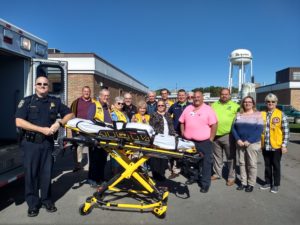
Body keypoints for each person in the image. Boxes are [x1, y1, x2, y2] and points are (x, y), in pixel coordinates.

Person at [15, 75, 73, 217]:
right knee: (31, 175)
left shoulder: (55, 101)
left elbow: (70, 114)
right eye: (39, 84)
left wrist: (59, 123)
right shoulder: (27, 101)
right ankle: (33, 204)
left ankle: (47, 200)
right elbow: (19, 122)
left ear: (48, 87)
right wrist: (42, 129)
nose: (42, 86)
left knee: (47, 174)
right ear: (35, 86)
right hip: (30, 144)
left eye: (45, 84)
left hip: (47, 144)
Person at [179, 90, 218, 193]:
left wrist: (211, 138)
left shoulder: (208, 109)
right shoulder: (188, 108)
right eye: (194, 97)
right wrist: (183, 134)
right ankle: (193, 177)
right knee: (189, 161)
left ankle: (205, 184)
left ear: (202, 98)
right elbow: (181, 122)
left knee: (206, 163)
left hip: (204, 142)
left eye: (198, 97)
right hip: (188, 141)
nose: (196, 98)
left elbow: (214, 124)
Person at [232, 96, 264, 193]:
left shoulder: (258, 114)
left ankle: (250, 184)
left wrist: (249, 141)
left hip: (253, 143)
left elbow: (259, 130)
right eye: (245, 102)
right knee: (242, 163)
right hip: (240, 143)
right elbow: (233, 128)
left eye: (249, 102)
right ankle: (243, 182)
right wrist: (238, 139)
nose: (247, 103)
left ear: (253, 103)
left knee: (252, 164)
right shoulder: (238, 114)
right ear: (242, 103)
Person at [260, 93, 289, 193]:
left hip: (276, 146)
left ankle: (276, 184)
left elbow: (286, 131)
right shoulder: (261, 114)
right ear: (265, 103)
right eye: (268, 101)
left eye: (273, 102)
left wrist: (284, 145)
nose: (270, 103)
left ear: (276, 103)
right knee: (267, 165)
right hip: (265, 145)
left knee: (276, 166)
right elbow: (259, 130)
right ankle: (268, 182)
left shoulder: (281, 114)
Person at [211, 88, 239, 186]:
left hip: (228, 135)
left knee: (231, 157)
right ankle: (217, 173)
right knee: (217, 157)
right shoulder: (214, 105)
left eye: (226, 94)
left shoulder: (236, 106)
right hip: (215, 135)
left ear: (229, 95)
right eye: (222, 94)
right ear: (220, 95)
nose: (224, 96)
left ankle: (231, 177)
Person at [87, 88, 112, 187]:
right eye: (104, 95)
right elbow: (89, 120)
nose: (106, 97)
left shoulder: (107, 107)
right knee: (94, 159)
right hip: (96, 137)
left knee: (103, 159)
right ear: (100, 96)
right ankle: (92, 179)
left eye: (107, 96)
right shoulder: (94, 105)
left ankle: (100, 178)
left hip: (105, 138)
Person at [149, 100, 176, 181]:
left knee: (164, 158)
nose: (160, 107)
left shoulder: (168, 115)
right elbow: (151, 127)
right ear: (157, 107)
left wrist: (173, 135)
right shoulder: (153, 115)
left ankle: (162, 174)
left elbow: (171, 126)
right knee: (156, 158)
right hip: (158, 139)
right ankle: (156, 175)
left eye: (162, 105)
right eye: (159, 105)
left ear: (165, 106)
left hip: (168, 139)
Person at [70, 86, 95, 172]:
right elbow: (71, 115)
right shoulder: (75, 102)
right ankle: (78, 164)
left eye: (88, 91)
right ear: (82, 92)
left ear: (90, 92)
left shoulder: (94, 102)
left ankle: (93, 165)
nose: (86, 93)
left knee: (92, 146)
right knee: (77, 146)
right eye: (85, 91)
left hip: (90, 128)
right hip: (78, 128)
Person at [168, 89, 191, 179]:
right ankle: (175, 170)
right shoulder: (174, 106)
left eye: (182, 95)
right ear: (177, 96)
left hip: (188, 132)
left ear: (186, 96)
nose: (181, 97)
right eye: (179, 95)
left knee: (186, 151)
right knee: (175, 151)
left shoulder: (190, 106)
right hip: (176, 132)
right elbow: (167, 115)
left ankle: (187, 170)